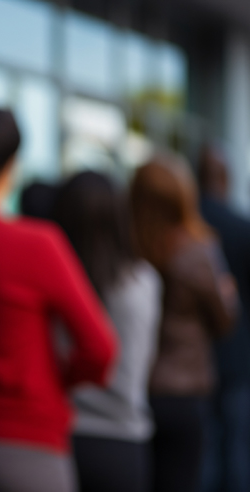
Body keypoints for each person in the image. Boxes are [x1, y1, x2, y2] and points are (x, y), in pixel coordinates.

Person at [0, 109, 117, 492]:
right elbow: (100, 348)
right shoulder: (36, 245)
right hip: (28, 441)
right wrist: (58, 377)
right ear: (11, 166)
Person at [130, 155, 237, 492]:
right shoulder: (196, 251)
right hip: (184, 390)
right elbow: (224, 319)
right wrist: (227, 292)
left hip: (137, 386)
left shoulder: (129, 249)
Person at [52, 171, 162, 492]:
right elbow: (146, 360)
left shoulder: (53, 281)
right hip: (123, 438)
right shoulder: (143, 282)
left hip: (63, 435)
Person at [197, 145, 250, 492]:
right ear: (226, 180)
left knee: (203, 456)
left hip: (190, 360)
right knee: (236, 453)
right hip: (237, 355)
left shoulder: (182, 228)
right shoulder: (241, 227)